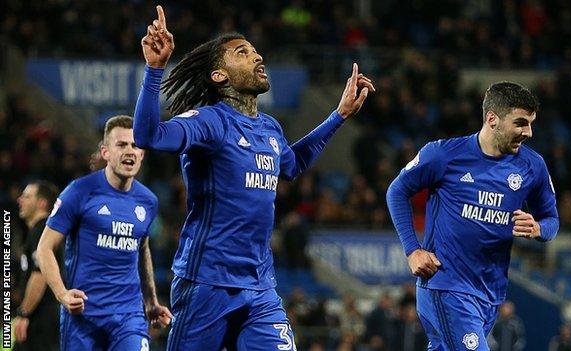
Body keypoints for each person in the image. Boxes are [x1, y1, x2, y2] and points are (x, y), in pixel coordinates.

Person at [134, 6, 374, 350]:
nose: (257, 56)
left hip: (260, 286)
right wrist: (155, 69)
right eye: (242, 53)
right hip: (207, 282)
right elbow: (149, 137)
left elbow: (291, 165)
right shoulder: (209, 122)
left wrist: (338, 116)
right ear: (220, 75)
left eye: (255, 50)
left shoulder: (270, 128)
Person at [386, 82, 559, 351]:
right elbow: (397, 190)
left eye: (531, 123)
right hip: (446, 284)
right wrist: (412, 250)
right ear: (492, 119)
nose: (529, 132)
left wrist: (538, 228)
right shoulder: (443, 155)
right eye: (521, 123)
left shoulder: (532, 166)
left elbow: (552, 221)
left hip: (489, 292)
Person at [37, 115, 172, 350]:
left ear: (142, 154)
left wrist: (150, 301)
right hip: (84, 315)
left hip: (129, 316)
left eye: (135, 145)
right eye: (121, 145)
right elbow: (44, 248)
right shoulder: (79, 192)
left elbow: (142, 248)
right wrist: (62, 294)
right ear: (106, 152)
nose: (129, 151)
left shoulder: (148, 201)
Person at [14, 181, 60, 351]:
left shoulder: (42, 232)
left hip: (42, 317)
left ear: (42, 203)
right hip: (42, 316)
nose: (20, 200)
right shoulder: (37, 232)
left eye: (26, 196)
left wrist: (24, 313)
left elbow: (40, 275)